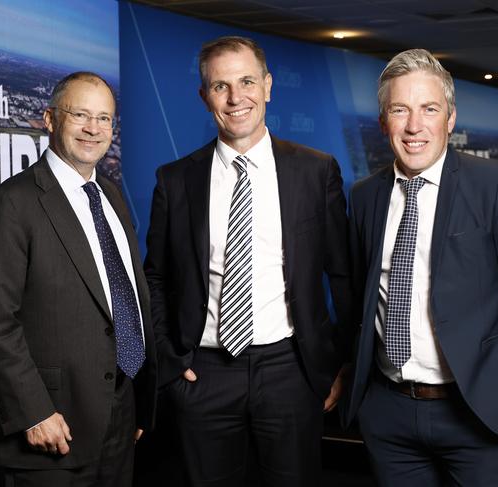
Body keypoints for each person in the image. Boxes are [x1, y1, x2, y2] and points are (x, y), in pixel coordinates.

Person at [143, 36, 350, 487]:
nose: (236, 98)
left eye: (247, 81)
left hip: (290, 370)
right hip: (204, 374)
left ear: (268, 86)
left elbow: (342, 273)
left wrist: (335, 363)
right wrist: (172, 362)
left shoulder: (316, 171)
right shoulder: (175, 180)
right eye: (220, 86)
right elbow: (155, 278)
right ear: (204, 97)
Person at [344, 49, 498, 486]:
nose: (414, 126)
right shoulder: (366, 197)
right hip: (390, 413)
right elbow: (357, 302)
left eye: (429, 109)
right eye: (400, 110)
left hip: (477, 413)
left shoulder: (495, 185)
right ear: (384, 120)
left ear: (451, 118)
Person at [0, 71, 157, 486]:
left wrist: (137, 399)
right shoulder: (13, 203)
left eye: (105, 118)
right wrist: (33, 411)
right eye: (81, 115)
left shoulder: (110, 195)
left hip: (119, 413)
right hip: (52, 424)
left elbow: (123, 298)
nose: (94, 128)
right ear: (50, 119)